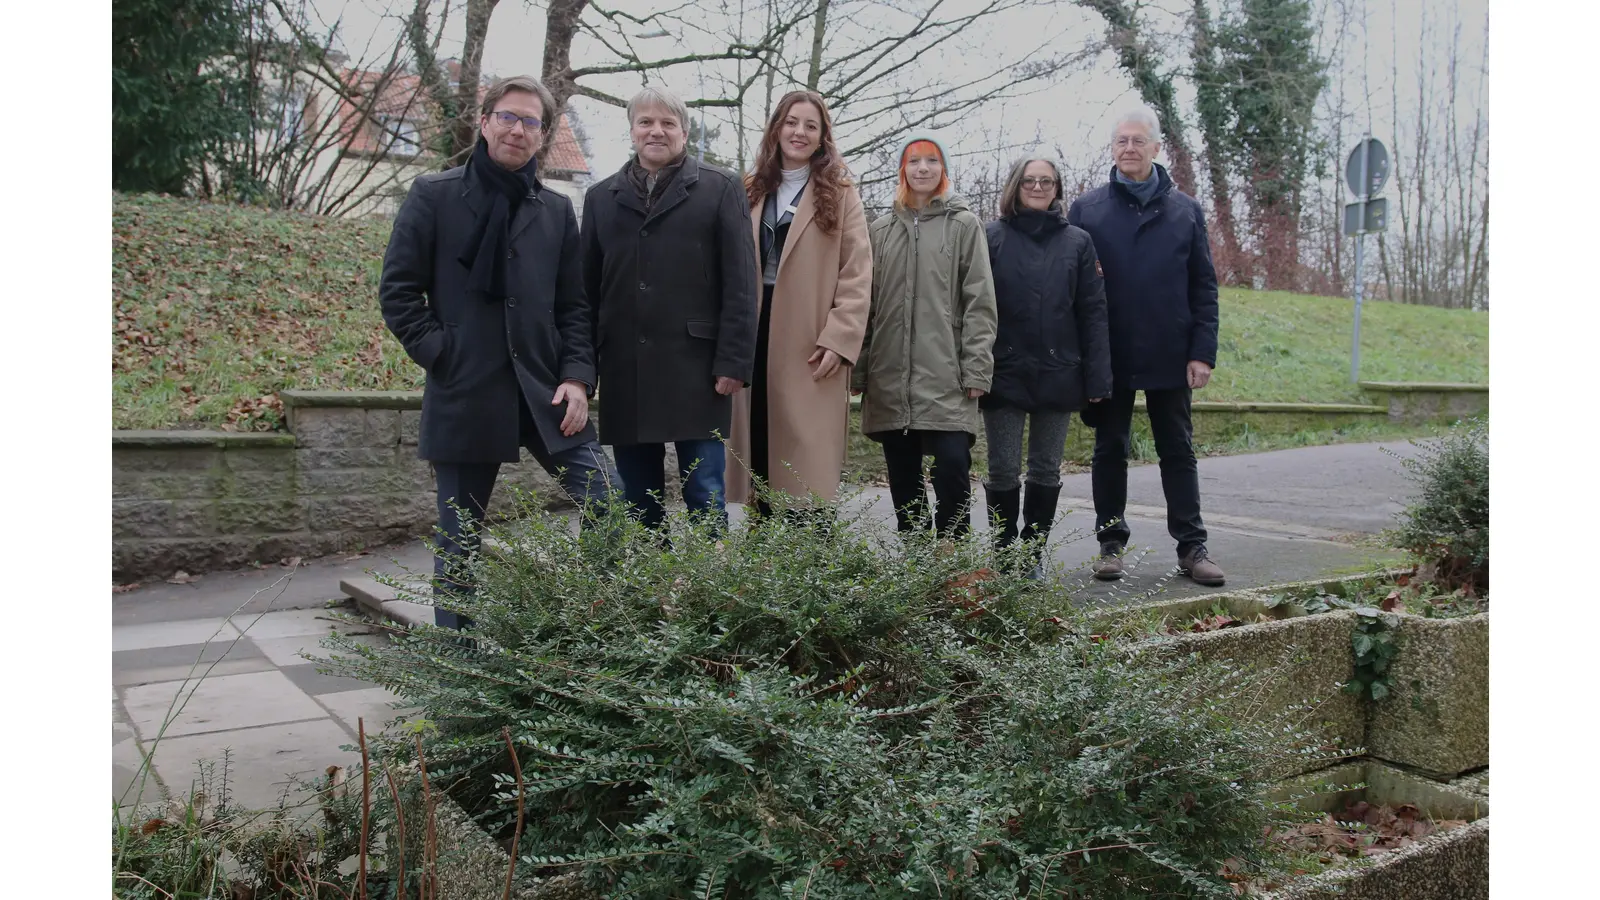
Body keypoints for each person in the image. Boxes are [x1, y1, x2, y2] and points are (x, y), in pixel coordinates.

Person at [379, 75, 619, 629]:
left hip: (543, 390)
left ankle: (600, 631)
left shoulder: (557, 212)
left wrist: (579, 378)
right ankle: (460, 674)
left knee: (609, 503)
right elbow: (398, 293)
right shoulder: (434, 196)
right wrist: (444, 354)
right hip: (465, 389)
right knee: (460, 537)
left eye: (530, 122)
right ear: (484, 122)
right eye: (507, 117)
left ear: (543, 136)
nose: (517, 129)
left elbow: (574, 308)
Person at [581, 87, 758, 533]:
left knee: (705, 493)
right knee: (639, 500)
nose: (656, 131)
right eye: (645, 122)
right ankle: (650, 595)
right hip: (626, 368)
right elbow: (585, 292)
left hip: (698, 370)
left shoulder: (720, 188)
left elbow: (740, 283)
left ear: (683, 132)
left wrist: (734, 361)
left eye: (667, 123)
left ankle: (708, 591)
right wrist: (584, 371)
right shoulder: (601, 197)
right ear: (632, 130)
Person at [1067, 105, 1225, 586]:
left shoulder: (1185, 210)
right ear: (1112, 150)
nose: (1129, 149)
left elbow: (1204, 287)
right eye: (1121, 141)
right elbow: (1072, 290)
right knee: (1109, 448)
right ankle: (1110, 544)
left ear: (1157, 148)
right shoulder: (1087, 210)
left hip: (1170, 353)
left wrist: (1202, 352)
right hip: (1109, 354)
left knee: (1177, 449)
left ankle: (1192, 548)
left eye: (1138, 141)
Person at [726, 90, 871, 518]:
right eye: (792, 122)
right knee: (758, 448)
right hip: (753, 332)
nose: (799, 132)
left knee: (805, 464)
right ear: (776, 128)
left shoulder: (840, 193)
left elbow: (857, 273)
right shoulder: (748, 189)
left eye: (811, 125)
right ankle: (763, 557)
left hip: (810, 337)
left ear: (823, 136)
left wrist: (840, 339)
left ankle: (810, 562)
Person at [853, 136, 997, 539]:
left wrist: (976, 368)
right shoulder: (880, 230)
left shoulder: (964, 225)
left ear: (943, 168)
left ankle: (952, 555)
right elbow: (867, 304)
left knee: (952, 464)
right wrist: (860, 370)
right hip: (890, 373)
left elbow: (980, 302)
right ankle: (916, 562)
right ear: (903, 169)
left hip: (946, 372)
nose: (922, 168)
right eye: (913, 161)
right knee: (903, 474)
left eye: (931, 160)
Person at [981, 155, 1112, 579]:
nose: (1038, 187)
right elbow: (974, 308)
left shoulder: (1078, 241)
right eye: (1029, 181)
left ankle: (1032, 552)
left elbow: (1093, 312)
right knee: (1001, 467)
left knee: (1045, 468)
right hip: (1003, 371)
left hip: (1060, 372)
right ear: (1015, 186)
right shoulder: (991, 238)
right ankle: (1003, 554)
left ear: (1057, 189)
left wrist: (1098, 378)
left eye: (1047, 181)